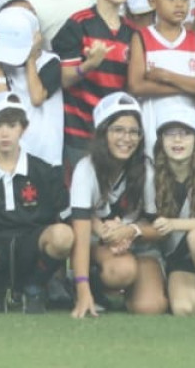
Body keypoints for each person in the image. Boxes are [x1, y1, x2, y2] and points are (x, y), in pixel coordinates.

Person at [0, 92, 73, 313]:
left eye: (11, 125)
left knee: (63, 236)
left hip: (33, 240)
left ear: (23, 128)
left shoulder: (44, 170)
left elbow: (66, 217)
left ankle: (35, 286)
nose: (4, 133)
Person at [66, 91, 163, 317]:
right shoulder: (86, 169)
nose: (126, 139)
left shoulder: (146, 171)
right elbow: (80, 234)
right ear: (103, 133)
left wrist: (131, 231)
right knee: (122, 270)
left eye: (133, 132)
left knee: (150, 307)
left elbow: (159, 229)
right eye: (118, 130)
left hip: (138, 246)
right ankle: (89, 287)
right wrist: (82, 289)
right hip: (98, 245)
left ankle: (123, 292)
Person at [141, 97, 195, 316]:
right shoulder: (151, 174)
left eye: (185, 133)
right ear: (160, 139)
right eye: (170, 133)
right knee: (183, 309)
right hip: (178, 258)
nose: (177, 140)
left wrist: (173, 224)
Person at [54, 0, 141, 166]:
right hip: (80, 133)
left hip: (119, 138)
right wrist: (88, 65)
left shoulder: (134, 31)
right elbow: (64, 79)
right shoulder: (78, 24)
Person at [128, 0, 195, 142]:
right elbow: (136, 86)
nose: (179, 4)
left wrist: (167, 76)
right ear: (152, 2)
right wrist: (188, 88)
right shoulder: (142, 38)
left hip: (192, 123)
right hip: (153, 123)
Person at [0, 5, 64, 166]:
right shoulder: (5, 64)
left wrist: (31, 58)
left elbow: (37, 97)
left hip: (47, 154)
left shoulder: (51, 61)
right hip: (17, 154)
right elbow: (1, 101)